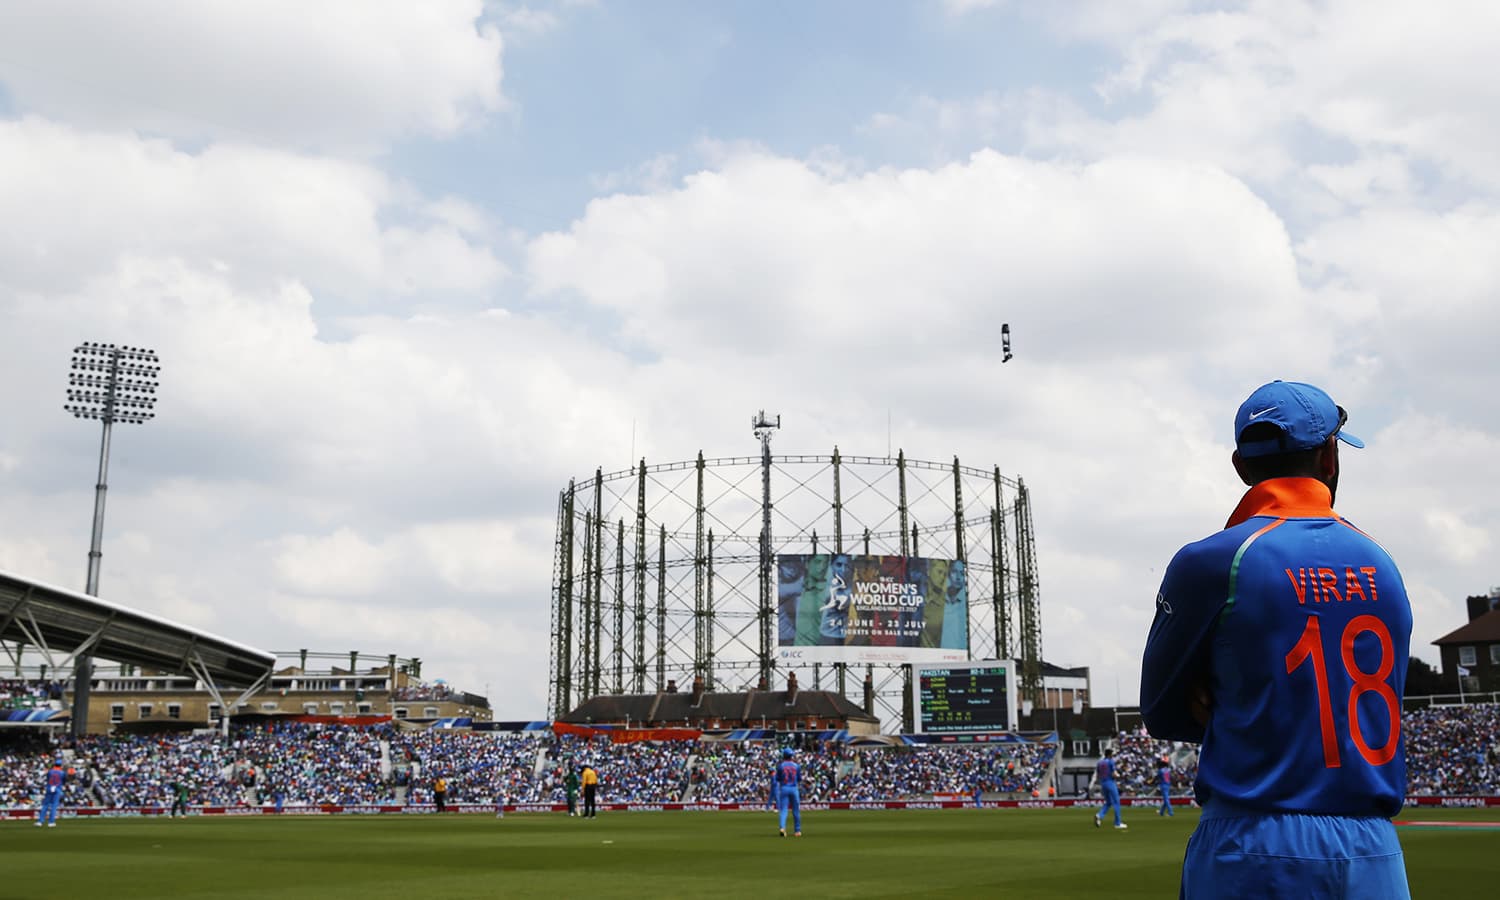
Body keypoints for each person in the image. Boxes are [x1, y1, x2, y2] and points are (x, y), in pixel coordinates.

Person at [1141, 380, 1412, 898]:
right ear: (1330, 457)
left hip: (1251, 844)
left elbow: (1163, 712)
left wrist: (1230, 698)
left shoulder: (1213, 560)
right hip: (1374, 853)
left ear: (1242, 469)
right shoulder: (1383, 562)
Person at [1092, 747, 1124, 829]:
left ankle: (1099, 815)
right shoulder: (1110, 762)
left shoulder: (1099, 762)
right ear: (1110, 754)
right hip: (1110, 782)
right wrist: (1119, 776)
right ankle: (1117, 823)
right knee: (1116, 802)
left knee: (1108, 802)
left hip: (1103, 783)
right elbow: (1114, 774)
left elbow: (1098, 774)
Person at [774, 747, 802, 837]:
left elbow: (777, 778)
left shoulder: (780, 766)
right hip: (794, 788)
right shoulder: (796, 766)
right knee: (796, 810)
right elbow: (799, 779)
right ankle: (797, 831)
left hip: (784, 788)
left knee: (783, 810)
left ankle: (782, 828)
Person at [37, 758, 66, 827]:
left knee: (45, 805)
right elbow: (64, 781)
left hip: (49, 788)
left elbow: (48, 779)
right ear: (60, 765)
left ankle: (40, 821)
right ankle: (51, 822)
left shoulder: (50, 771)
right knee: (54, 806)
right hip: (57, 789)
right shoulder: (62, 773)